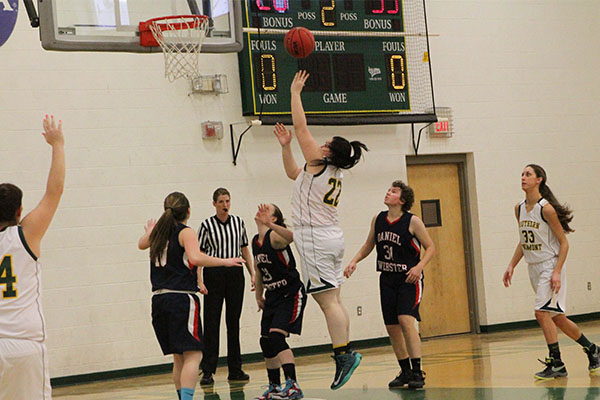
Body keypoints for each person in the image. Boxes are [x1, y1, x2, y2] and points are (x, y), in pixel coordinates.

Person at [273, 70, 368, 390]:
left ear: (328, 152)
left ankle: (344, 353)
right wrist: (286, 146)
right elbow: (292, 174)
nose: (320, 143)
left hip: (315, 237)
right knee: (335, 300)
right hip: (328, 236)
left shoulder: (320, 161)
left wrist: (295, 93)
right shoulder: (324, 171)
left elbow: (301, 126)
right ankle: (345, 349)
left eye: (325, 143)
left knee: (328, 303)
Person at [138, 191, 245, 400]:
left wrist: (151, 229)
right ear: (188, 210)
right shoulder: (186, 232)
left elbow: (141, 244)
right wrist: (225, 261)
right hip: (181, 299)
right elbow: (195, 257)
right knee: (195, 355)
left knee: (179, 358)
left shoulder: (159, 233)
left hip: (159, 300)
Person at [502, 164, 600, 379]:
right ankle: (593, 350)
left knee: (540, 312)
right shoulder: (518, 208)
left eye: (528, 174)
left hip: (550, 265)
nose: (523, 177)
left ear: (539, 180)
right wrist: (511, 265)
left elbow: (564, 244)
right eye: (522, 174)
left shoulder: (546, 209)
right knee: (558, 318)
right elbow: (524, 241)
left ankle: (556, 363)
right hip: (533, 267)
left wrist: (556, 272)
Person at [344, 180, 435, 389]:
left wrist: (419, 267)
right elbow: (369, 244)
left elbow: (430, 247)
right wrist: (354, 261)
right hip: (387, 278)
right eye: (388, 190)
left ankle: (417, 371)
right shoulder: (378, 219)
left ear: (402, 200)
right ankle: (404, 372)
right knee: (392, 326)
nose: (388, 193)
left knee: (405, 320)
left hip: (409, 279)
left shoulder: (412, 221)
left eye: (393, 192)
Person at [0, 115, 65, 400]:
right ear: (19, 211)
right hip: (24, 344)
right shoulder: (25, 235)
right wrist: (57, 144)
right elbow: (54, 191)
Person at [198, 188, 255, 385]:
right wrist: (200, 280)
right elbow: (199, 256)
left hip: (235, 274)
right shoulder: (206, 226)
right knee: (212, 322)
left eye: (227, 201)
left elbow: (245, 249)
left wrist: (252, 273)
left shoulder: (239, 223)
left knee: (234, 322)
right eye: (221, 201)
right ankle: (208, 370)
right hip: (213, 274)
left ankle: (235, 369)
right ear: (214, 204)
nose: (225, 205)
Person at [252, 203, 306, 400]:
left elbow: (293, 237)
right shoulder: (255, 241)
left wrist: (270, 225)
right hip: (273, 295)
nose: (261, 211)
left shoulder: (274, 236)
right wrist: (259, 295)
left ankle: (293, 385)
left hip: (290, 293)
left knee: (276, 337)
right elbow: (258, 270)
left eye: (267, 210)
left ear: (274, 219)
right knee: (266, 341)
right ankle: (274, 386)